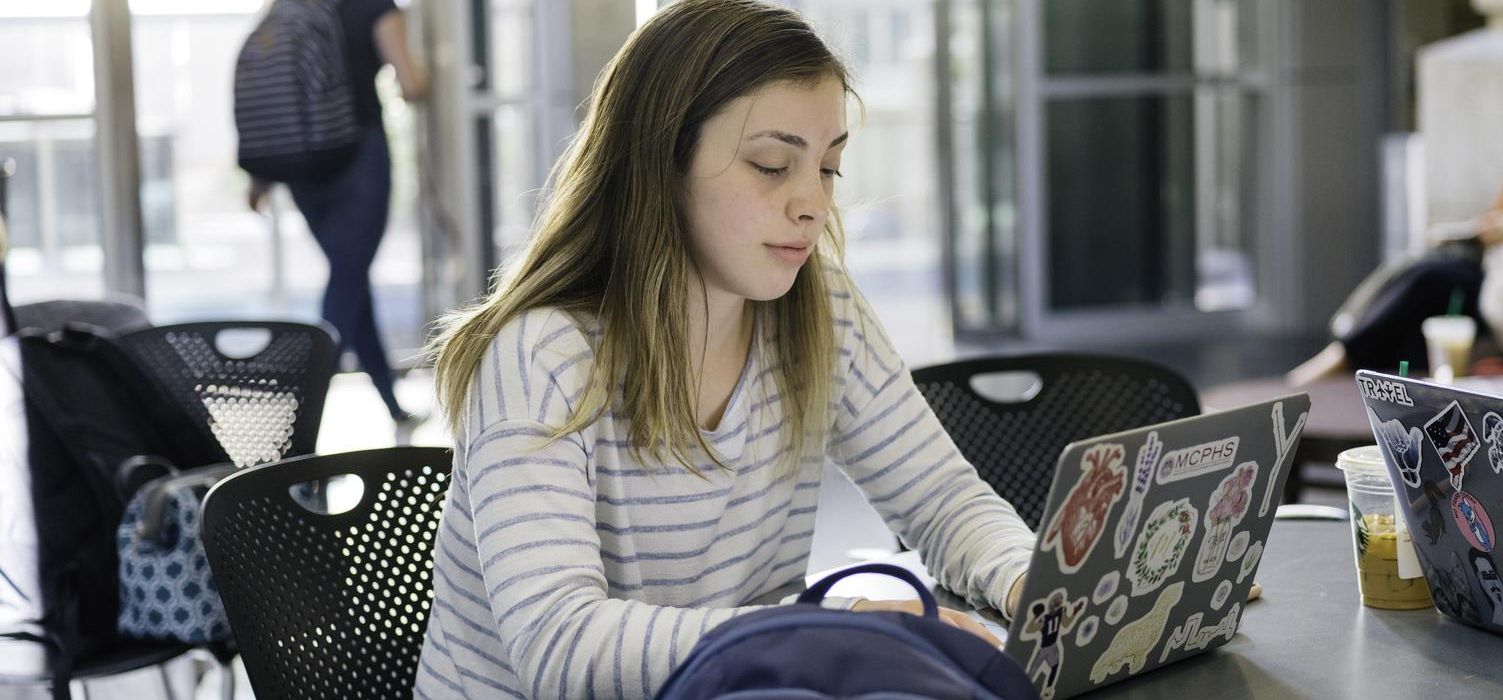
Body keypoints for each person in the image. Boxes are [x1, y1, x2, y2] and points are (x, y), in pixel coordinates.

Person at [412, 1, 1034, 696]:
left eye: (827, 169)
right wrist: (827, 626)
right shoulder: (540, 357)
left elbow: (942, 500)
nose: (813, 204)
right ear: (662, 164)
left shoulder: (821, 309)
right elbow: (561, 646)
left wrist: (1028, 584)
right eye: (772, 166)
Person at [1286, 20, 1503, 383]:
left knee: (1430, 281)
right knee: (1419, 287)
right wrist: (1480, 231)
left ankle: (1331, 364)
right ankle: (1348, 368)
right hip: (1498, 270)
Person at [246, 0, 429, 429]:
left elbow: (273, 90)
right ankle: (299, 419)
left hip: (303, 166)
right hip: (359, 155)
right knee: (346, 283)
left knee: (351, 280)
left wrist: (259, 175)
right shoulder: (375, 6)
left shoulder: (290, 6)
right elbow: (412, 85)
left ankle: (391, 404)